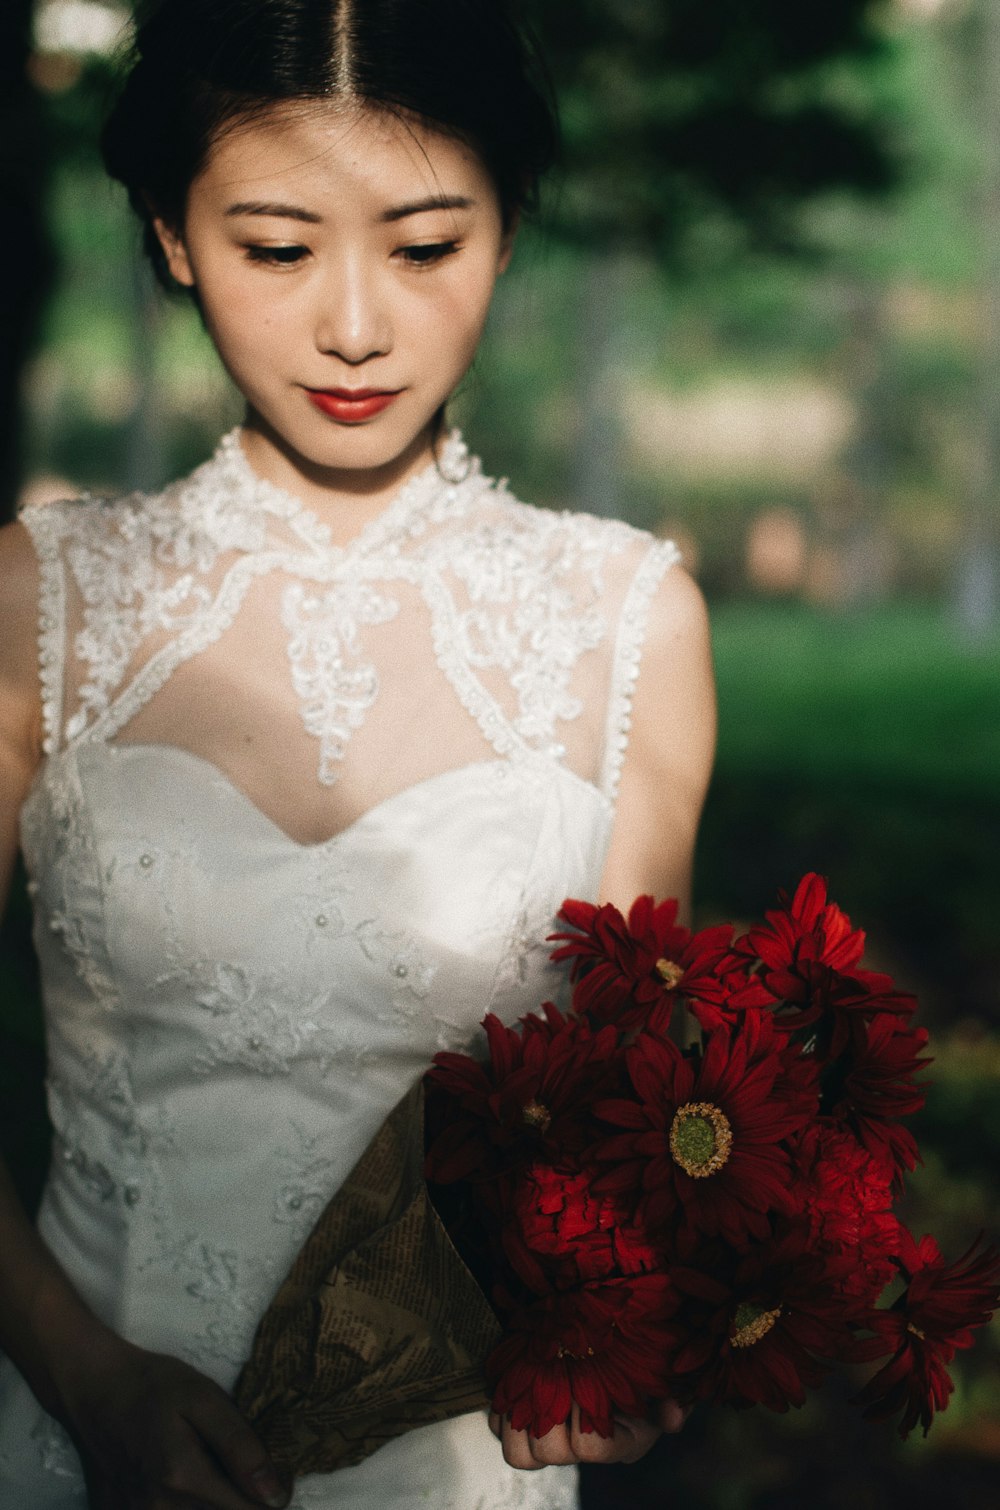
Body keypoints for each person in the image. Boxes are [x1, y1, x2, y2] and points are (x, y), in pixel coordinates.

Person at [0, 1, 715, 1506]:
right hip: (89, 1434)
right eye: (275, 246)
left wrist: (638, 1329)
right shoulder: (41, 603)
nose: (354, 323)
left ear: (508, 232)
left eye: (425, 243)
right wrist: (87, 1376)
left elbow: (628, 1131)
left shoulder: (625, 621)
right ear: (173, 234)